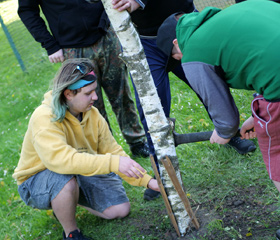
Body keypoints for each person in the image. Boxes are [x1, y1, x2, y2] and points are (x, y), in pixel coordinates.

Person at [156, 0, 280, 237]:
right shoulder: (226, 18)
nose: (181, 61)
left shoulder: (193, 49)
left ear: (176, 43)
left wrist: (223, 133)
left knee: (277, 155)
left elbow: (226, 119)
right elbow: (263, 50)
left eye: (176, 56)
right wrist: (257, 113)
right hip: (274, 75)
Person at [111, 0, 256, 201]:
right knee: (152, 105)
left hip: (184, 30)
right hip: (145, 41)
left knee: (209, 83)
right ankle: (162, 166)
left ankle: (230, 134)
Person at [12, 58, 159, 240]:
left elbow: (113, 151)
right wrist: (112, 163)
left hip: (77, 170)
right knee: (65, 181)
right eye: (88, 93)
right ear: (68, 94)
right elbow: (61, 161)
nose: (95, 98)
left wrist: (148, 181)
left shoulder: (93, 115)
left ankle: (68, 202)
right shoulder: (43, 117)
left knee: (120, 209)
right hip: (36, 179)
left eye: (94, 91)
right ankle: (72, 233)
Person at [17, 0, 149, 158]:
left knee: (121, 94)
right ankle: (106, 154)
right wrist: (50, 45)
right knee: (89, 105)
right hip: (72, 48)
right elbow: (27, 10)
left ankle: (137, 142)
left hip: (106, 34)